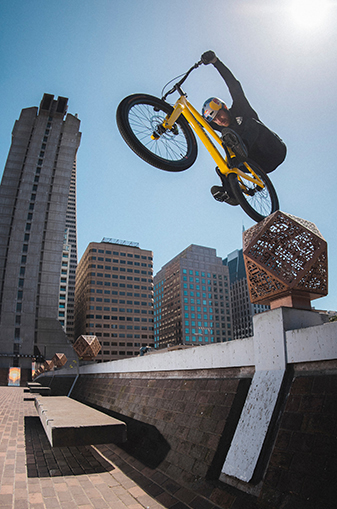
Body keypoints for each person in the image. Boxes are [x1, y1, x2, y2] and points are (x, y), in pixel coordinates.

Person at [200, 50, 286, 204]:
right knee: (223, 166)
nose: (219, 120)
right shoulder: (221, 127)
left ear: (225, 108)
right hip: (259, 165)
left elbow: (233, 85)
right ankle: (232, 194)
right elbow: (197, 121)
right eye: (215, 120)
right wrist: (173, 113)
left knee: (250, 124)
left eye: (219, 114)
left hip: (274, 149)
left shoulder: (241, 107)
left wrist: (215, 62)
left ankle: (243, 147)